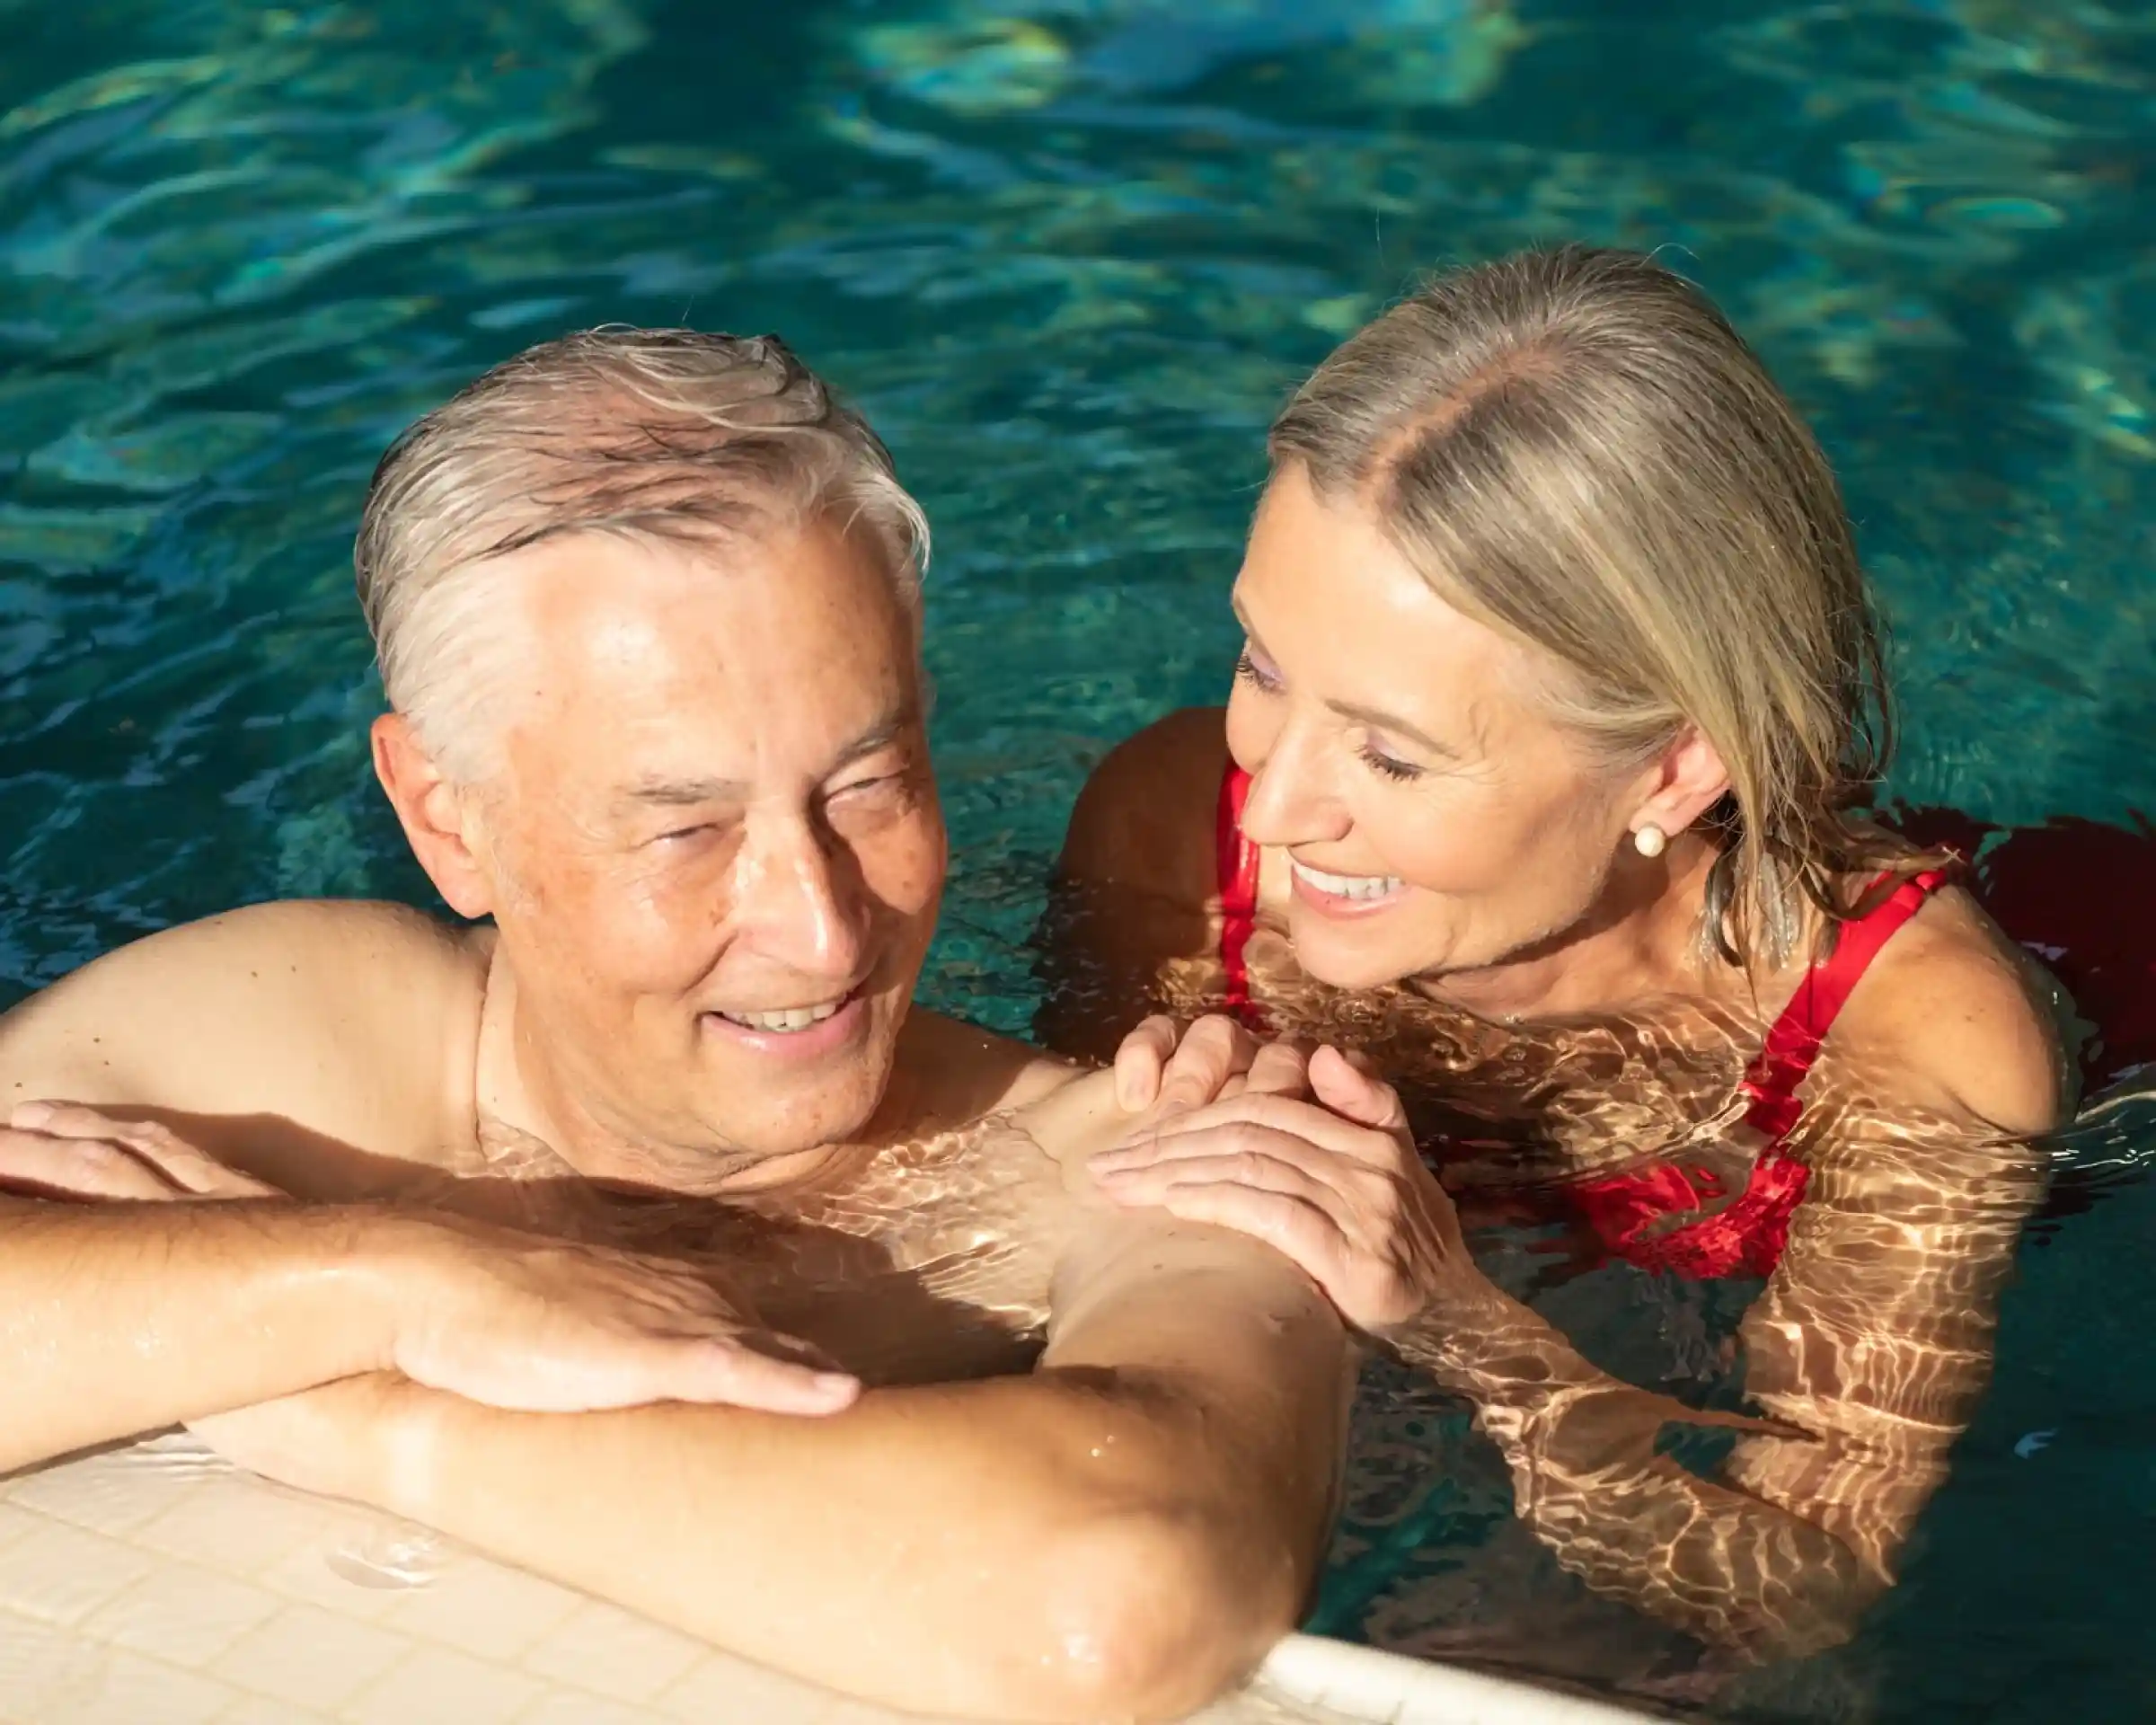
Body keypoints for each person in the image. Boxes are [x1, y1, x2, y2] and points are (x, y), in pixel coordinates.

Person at [0, 331, 1353, 1725]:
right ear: (443, 819)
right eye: (686, 826)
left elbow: (1114, 1602)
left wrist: (366, 1417)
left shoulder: (1135, 1160)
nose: (823, 931)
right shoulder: (306, 1058)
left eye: (869, 786)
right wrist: (391, 1284)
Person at [1044, 245, 2068, 1665]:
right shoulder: (1174, 836)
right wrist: (1097, 1154)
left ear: (1671, 771)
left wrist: (1459, 1319)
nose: (1273, 805)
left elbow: (1797, 1594)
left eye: (1390, 755)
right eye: (1265, 668)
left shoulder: (1916, 1041)